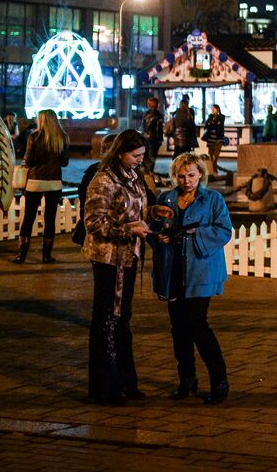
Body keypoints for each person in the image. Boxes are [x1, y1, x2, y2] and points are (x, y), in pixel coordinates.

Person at [83, 129, 165, 405]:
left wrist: (152, 213)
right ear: (120, 153)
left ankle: (126, 382)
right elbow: (94, 222)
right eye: (135, 155)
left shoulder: (135, 177)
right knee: (107, 319)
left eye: (142, 155)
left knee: (122, 319)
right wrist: (129, 230)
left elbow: (136, 209)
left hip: (129, 257)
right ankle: (104, 387)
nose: (140, 160)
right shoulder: (103, 180)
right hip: (108, 259)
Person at [152, 153, 232, 405]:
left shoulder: (212, 199)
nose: (187, 181)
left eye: (192, 175)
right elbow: (153, 231)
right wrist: (159, 237)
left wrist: (193, 235)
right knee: (178, 328)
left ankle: (219, 380)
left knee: (198, 324)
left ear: (201, 175)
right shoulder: (166, 199)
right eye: (182, 176)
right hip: (173, 270)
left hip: (201, 271)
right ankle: (186, 379)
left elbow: (224, 230)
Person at [13, 109, 69, 265]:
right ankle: (46, 256)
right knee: (50, 219)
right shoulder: (62, 137)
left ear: (41, 120)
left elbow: (29, 160)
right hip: (54, 182)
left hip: (35, 181)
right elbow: (64, 162)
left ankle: (21, 255)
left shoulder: (34, 137)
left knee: (29, 217)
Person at [201, 105, 227, 175]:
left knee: (215, 156)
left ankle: (214, 170)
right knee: (211, 156)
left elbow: (218, 126)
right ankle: (213, 170)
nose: (212, 110)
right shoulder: (210, 116)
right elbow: (207, 125)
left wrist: (212, 124)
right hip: (210, 140)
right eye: (212, 108)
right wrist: (212, 124)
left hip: (218, 140)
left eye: (214, 108)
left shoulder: (222, 117)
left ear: (217, 109)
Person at [141, 98, 165, 169]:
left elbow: (143, 126)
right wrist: (160, 139)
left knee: (146, 156)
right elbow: (159, 128)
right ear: (157, 105)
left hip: (145, 137)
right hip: (154, 138)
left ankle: (146, 171)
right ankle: (150, 172)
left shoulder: (145, 114)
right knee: (153, 156)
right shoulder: (158, 115)